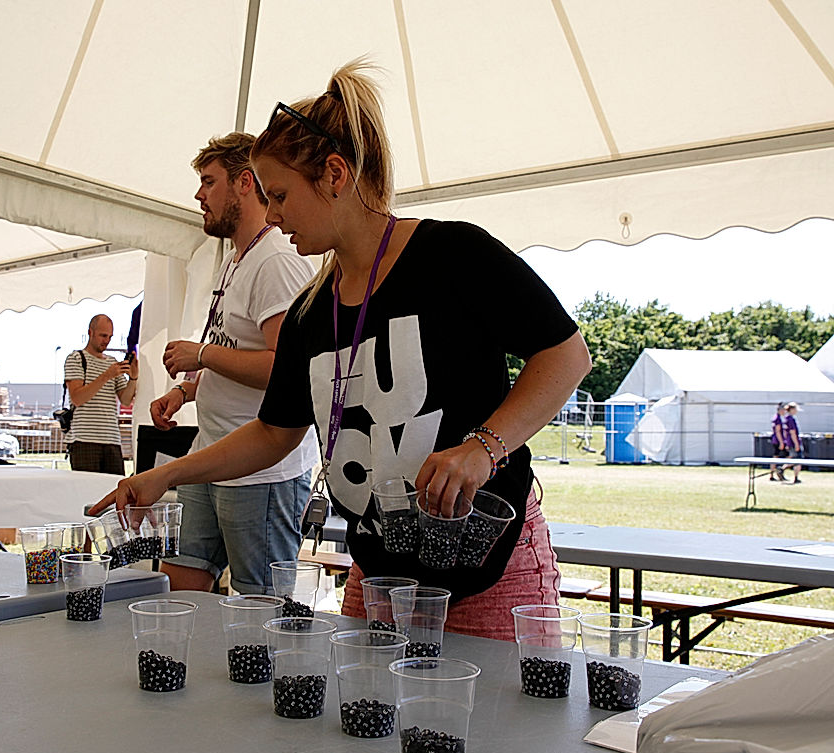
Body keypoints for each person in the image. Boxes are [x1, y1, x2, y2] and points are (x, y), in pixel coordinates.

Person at [93, 60, 591, 641]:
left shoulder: (453, 255)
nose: (273, 215)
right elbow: (274, 432)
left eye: (279, 195)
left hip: (487, 575)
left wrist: (482, 448)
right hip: (378, 574)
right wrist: (167, 476)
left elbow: (565, 355)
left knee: (497, 732)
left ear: (334, 174)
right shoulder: (311, 309)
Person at [148, 132, 318, 594]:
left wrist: (200, 354)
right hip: (211, 453)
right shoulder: (239, 258)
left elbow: (288, 371)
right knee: (181, 578)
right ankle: (177, 663)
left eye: (208, 181)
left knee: (259, 599)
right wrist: (185, 390)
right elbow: (236, 349)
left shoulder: (277, 260)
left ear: (245, 182)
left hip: (260, 469)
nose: (199, 195)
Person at [64, 315, 138, 474]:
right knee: (87, 492)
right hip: (84, 440)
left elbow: (125, 400)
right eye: (103, 336)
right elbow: (77, 398)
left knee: (115, 491)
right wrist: (106, 376)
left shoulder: (112, 362)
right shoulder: (76, 358)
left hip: (112, 439)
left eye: (110, 337)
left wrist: (133, 377)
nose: (106, 341)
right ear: (90, 332)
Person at [781, 401, 803, 484]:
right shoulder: (791, 419)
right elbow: (792, 432)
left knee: (792, 458)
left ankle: (782, 469)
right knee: (797, 459)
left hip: (789, 442)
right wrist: (796, 443)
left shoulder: (786, 419)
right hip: (793, 442)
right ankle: (795, 476)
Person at [769, 401, 787, 481]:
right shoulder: (777, 419)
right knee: (776, 457)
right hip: (777, 441)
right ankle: (774, 473)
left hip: (776, 440)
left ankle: (773, 474)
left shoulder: (777, 418)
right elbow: (778, 431)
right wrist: (781, 442)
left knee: (775, 457)